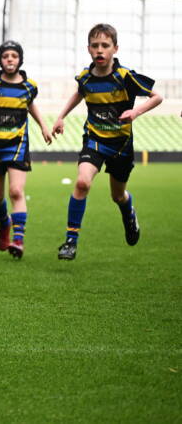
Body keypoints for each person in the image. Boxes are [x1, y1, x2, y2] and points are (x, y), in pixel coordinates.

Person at [52, 23, 162, 261]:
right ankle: (71, 240)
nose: (100, 50)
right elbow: (79, 93)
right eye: (95, 46)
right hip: (94, 140)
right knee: (82, 182)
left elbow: (157, 97)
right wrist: (61, 117)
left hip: (120, 146)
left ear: (115, 48)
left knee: (117, 195)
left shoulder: (125, 77)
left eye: (105, 45)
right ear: (88, 49)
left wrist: (135, 112)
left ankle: (128, 212)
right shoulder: (85, 77)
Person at [0, 41, 52, 259]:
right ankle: (4, 223)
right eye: (6, 56)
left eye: (14, 56)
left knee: (16, 191)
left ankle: (18, 240)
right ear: (0, 60)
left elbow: (30, 104)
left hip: (17, 145)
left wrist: (44, 126)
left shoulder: (29, 86)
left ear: (20, 59)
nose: (10, 59)